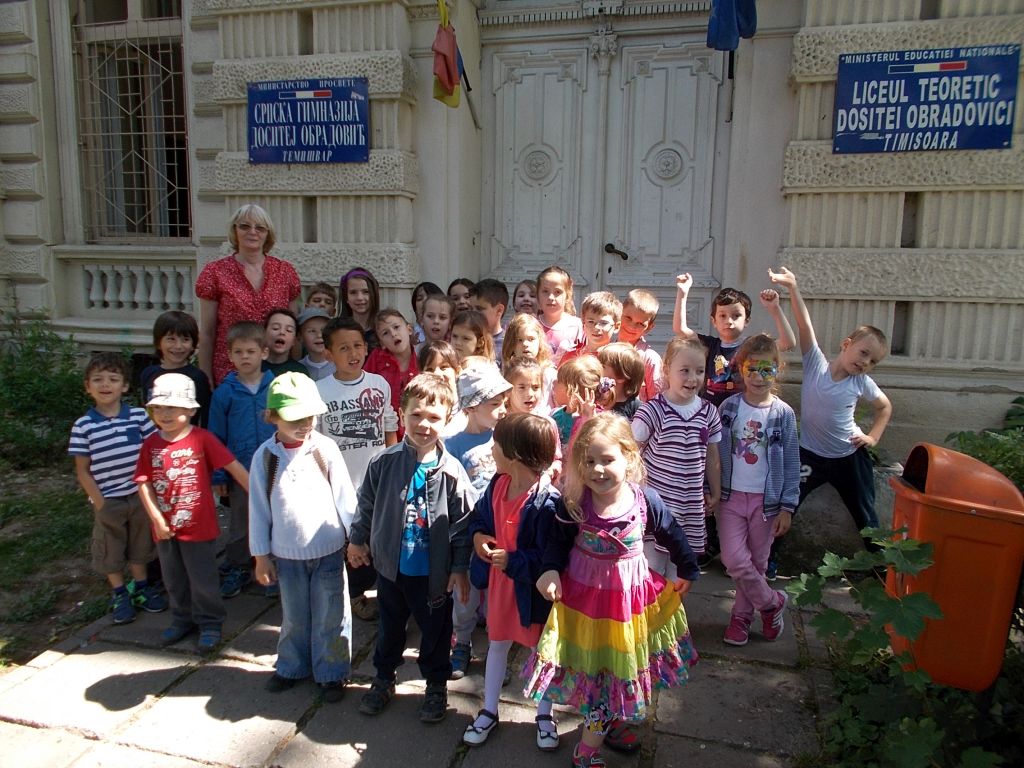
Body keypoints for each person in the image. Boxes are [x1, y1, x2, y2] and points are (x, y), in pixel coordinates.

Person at [523, 413, 699, 768]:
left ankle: (607, 721)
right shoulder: (575, 503)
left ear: (629, 458)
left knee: (616, 667)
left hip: (627, 606)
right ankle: (587, 750)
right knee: (600, 673)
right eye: (589, 461)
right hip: (585, 607)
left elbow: (672, 533)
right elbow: (556, 544)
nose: (598, 470)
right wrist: (549, 570)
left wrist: (688, 567)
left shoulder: (644, 500)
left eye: (607, 459)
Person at [347, 373, 477, 723]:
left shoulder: (452, 472)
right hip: (391, 568)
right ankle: (383, 677)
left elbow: (463, 525)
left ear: (447, 420)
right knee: (390, 628)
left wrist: (459, 568)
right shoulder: (384, 462)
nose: (424, 424)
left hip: (432, 574)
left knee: (435, 633)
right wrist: (357, 539)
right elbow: (367, 503)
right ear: (401, 413)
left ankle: (435, 685)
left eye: (434, 417)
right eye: (416, 414)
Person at [768, 266, 893, 568]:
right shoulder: (816, 364)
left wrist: (873, 437)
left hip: (849, 458)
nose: (865, 362)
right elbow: (804, 325)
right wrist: (792, 287)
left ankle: (882, 570)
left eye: (873, 361)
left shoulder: (861, 382)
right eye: (863, 353)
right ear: (846, 345)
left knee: (865, 514)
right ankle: (767, 561)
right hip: (810, 456)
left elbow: (885, 407)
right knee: (786, 505)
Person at [249, 373, 358, 701]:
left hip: (328, 551)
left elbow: (345, 497)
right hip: (287, 555)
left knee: (331, 615)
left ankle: (332, 672)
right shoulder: (265, 457)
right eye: (294, 418)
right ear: (272, 416)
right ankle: (291, 666)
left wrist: (356, 538)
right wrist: (261, 555)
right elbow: (259, 509)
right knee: (294, 617)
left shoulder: (325, 449)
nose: (304, 424)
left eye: (309, 416)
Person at [463, 414, 560, 749]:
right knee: (497, 644)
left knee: (541, 651)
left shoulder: (547, 503)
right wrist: (478, 537)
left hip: (530, 593)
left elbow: (549, 557)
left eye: (496, 445)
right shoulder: (497, 484)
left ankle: (545, 715)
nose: (491, 450)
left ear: (515, 454)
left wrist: (513, 561)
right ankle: (489, 709)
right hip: (501, 588)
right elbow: (480, 517)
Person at [135, 373, 249, 651]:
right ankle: (181, 619)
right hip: (165, 528)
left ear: (190, 410)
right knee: (173, 578)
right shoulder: (151, 444)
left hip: (199, 527)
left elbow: (234, 467)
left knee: (203, 579)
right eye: (158, 408)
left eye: (172, 407)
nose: (164, 414)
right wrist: (156, 519)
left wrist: (260, 498)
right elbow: (143, 483)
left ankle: (210, 622)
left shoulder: (203, 439)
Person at [69, 352, 164, 625]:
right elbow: (83, 470)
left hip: (139, 494)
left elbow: (154, 450)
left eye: (113, 379)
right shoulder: (83, 426)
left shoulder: (137, 416)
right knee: (110, 547)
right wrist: (100, 503)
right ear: (87, 387)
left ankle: (141, 587)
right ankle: (120, 593)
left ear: (124, 386)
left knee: (140, 543)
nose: (105, 384)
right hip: (108, 499)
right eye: (98, 379)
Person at [717, 334, 799, 646]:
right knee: (734, 560)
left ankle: (741, 618)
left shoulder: (782, 413)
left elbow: (791, 460)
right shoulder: (729, 408)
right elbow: (715, 452)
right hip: (730, 497)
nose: (758, 377)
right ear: (741, 369)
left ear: (778, 369)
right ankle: (771, 603)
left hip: (767, 503)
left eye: (767, 370)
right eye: (752, 369)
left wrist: (787, 506)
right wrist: (711, 489)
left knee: (757, 563)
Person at [317, 317, 399, 620]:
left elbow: (389, 426)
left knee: (378, 535)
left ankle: (381, 590)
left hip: (375, 479)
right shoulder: (320, 390)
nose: (352, 353)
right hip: (340, 482)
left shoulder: (378, 384)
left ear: (366, 348)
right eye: (343, 348)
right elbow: (316, 439)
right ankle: (355, 595)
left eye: (357, 346)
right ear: (329, 354)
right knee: (352, 540)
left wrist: (392, 464)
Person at [446, 366, 512, 679]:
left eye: (504, 403)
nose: (503, 410)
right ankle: (461, 640)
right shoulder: (453, 446)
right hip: (469, 532)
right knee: (466, 593)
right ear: (471, 407)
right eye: (495, 404)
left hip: (502, 528)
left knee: (499, 592)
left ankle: (497, 649)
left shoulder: (505, 437)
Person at [632, 338, 723, 564]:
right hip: (657, 503)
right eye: (685, 370)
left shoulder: (709, 412)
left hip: (690, 503)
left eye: (699, 371)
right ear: (666, 370)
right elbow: (631, 452)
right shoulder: (653, 410)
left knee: (681, 566)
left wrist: (715, 490)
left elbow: (712, 455)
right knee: (653, 565)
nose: (693, 378)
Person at [196, 204, 301, 385]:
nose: (252, 232)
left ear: (268, 234)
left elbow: (293, 329)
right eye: (245, 226)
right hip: (231, 371)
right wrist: (206, 378)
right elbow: (207, 332)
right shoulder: (215, 272)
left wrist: (295, 368)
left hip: (276, 371)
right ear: (234, 230)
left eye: (260, 228)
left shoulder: (285, 272)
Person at [208, 321, 276, 599]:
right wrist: (219, 474)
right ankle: (238, 566)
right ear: (230, 355)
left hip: (274, 469)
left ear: (264, 353)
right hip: (240, 471)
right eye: (239, 352)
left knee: (275, 519)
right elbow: (215, 437)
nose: (245, 357)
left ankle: (273, 568)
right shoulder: (225, 393)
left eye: (251, 351)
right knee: (241, 522)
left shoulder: (275, 387)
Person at [672, 274, 796, 407]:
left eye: (736, 316)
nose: (729, 321)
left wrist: (775, 308)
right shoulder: (709, 345)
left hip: (740, 410)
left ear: (746, 320)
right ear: (714, 321)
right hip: (711, 412)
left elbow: (788, 342)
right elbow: (680, 329)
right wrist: (682, 293)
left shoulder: (751, 345)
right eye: (723, 316)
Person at [140, 311, 212, 427]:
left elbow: (205, 416)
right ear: (158, 343)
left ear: (193, 344)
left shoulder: (197, 377)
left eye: (185, 339)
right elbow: (146, 409)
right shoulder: (148, 374)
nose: (178, 346)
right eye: (171, 339)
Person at [365, 309, 419, 437]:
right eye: (385, 333)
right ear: (382, 343)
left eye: (396, 327)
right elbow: (363, 384)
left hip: (415, 428)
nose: (393, 334)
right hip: (384, 430)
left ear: (409, 330)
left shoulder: (421, 357)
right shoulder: (377, 358)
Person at [550, 356, 615, 450]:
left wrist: (588, 421)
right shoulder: (555, 415)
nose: (553, 382)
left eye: (559, 380)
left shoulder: (598, 420)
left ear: (572, 391)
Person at [616, 288, 663, 403]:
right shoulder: (604, 348)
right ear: (619, 313)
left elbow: (657, 401)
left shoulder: (650, 359)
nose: (632, 326)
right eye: (628, 318)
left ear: (649, 327)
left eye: (640, 324)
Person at [502, 312, 557, 407]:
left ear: (539, 341)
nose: (525, 344)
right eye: (519, 340)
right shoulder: (507, 373)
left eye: (531, 339)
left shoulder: (548, 373)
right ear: (511, 343)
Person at [558, 291, 622, 367]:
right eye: (591, 322)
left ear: (616, 326)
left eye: (603, 323)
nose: (596, 327)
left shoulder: (618, 360)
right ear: (583, 323)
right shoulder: (570, 358)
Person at [536, 266, 584, 365]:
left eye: (557, 292)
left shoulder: (578, 326)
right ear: (537, 295)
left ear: (568, 296)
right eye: (545, 291)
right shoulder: (532, 325)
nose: (550, 297)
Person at [599, 342, 646, 421]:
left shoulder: (638, 410)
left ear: (621, 377)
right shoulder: (595, 402)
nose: (596, 369)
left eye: (602, 367)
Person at [339, 267, 382, 352]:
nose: (359, 298)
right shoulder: (337, 331)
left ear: (374, 294)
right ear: (346, 297)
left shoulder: (384, 329)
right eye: (353, 292)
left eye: (366, 292)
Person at [262, 308, 307, 378]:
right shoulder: (253, 366)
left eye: (289, 330)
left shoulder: (299, 372)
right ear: (264, 333)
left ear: (294, 340)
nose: (282, 332)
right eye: (275, 328)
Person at [472, 278, 510, 361]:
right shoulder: (465, 339)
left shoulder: (508, 345)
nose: (473, 313)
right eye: (470, 308)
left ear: (499, 310)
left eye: (479, 309)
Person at [297, 307, 335, 381]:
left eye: (323, 330)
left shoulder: (341, 364)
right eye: (312, 331)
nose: (319, 335)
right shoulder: (298, 369)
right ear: (300, 336)